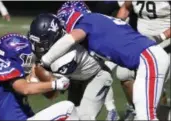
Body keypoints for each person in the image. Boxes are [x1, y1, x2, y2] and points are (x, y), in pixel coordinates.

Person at [39, 1, 169, 120]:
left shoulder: (86, 21)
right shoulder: (99, 21)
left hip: (149, 59)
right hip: (149, 59)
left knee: (146, 117)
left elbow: (70, 39)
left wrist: (44, 61)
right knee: (145, 113)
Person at [28, 13, 119, 120]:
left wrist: (36, 77)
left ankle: (111, 109)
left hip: (97, 76)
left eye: (41, 45)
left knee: (85, 117)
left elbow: (52, 94)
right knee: (71, 115)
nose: (36, 48)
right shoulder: (62, 41)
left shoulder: (64, 58)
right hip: (77, 78)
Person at [0, 33, 78, 120]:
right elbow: (25, 88)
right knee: (68, 109)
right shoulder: (5, 67)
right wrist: (56, 84)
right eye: (25, 56)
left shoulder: (8, 71)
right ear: (13, 56)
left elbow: (49, 95)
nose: (29, 59)